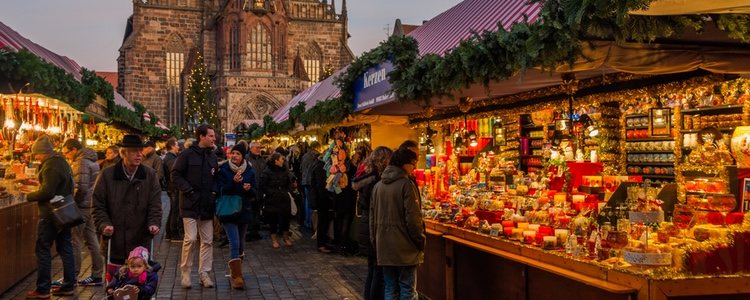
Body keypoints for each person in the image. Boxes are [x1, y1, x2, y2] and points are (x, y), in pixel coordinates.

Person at [92, 135, 162, 269]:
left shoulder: (150, 175)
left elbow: (155, 204)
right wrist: (104, 224)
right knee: (114, 284)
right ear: (123, 153)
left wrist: (154, 223)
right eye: (134, 151)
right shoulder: (107, 175)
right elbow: (97, 204)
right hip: (115, 239)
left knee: (139, 283)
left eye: (140, 151)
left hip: (140, 240)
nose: (139, 154)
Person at [25, 136, 78, 299]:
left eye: (37, 154)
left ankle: (42, 289)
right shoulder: (61, 161)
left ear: (43, 152)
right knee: (65, 248)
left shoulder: (50, 166)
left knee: (43, 250)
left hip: (50, 214)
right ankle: (69, 286)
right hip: (64, 213)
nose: (36, 157)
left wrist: (29, 195)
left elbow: (47, 192)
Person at [370, 147, 425, 300]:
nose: (414, 167)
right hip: (404, 248)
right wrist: (420, 241)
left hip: (384, 247)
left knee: (390, 288)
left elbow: (372, 220)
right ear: (403, 164)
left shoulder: (378, 186)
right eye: (413, 163)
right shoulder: (406, 185)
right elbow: (413, 220)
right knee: (407, 289)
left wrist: (375, 242)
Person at [171, 124, 218, 289]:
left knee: (207, 240)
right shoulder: (187, 155)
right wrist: (188, 190)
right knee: (190, 238)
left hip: (206, 204)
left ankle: (204, 273)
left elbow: (215, 178)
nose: (214, 138)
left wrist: (214, 192)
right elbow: (175, 174)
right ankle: (185, 272)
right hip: (190, 203)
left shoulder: (212, 156)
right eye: (211, 136)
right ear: (202, 137)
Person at [61, 139, 105, 287]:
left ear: (74, 149)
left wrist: (73, 203)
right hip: (90, 205)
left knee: (75, 241)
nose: (66, 156)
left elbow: (81, 187)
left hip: (81, 206)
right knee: (92, 240)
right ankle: (97, 274)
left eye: (66, 152)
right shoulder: (91, 160)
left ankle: (71, 277)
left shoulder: (81, 162)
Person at [352, 146, 393, 300]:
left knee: (372, 270)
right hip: (373, 227)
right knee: (378, 272)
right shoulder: (376, 180)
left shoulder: (366, 176)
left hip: (367, 224)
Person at [215, 143, 255, 289]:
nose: (234, 156)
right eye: (233, 153)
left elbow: (255, 191)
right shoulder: (224, 169)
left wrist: (249, 188)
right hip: (228, 211)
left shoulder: (249, 170)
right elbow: (220, 190)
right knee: (234, 241)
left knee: (241, 243)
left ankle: (238, 270)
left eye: (238, 154)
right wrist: (233, 183)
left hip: (243, 210)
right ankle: (236, 277)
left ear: (243, 156)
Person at [260, 152, 294, 248]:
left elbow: (288, 181)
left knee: (286, 218)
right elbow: (263, 185)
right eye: (281, 159)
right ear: (276, 161)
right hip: (272, 199)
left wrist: (287, 190)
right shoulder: (267, 171)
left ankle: (286, 237)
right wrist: (271, 192)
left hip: (284, 197)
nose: (283, 160)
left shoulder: (284, 170)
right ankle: (274, 239)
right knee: (273, 219)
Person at [310, 151, 334, 253]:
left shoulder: (321, 165)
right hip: (322, 199)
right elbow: (321, 186)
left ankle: (323, 242)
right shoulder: (321, 167)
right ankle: (321, 244)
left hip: (323, 198)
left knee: (324, 221)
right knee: (322, 221)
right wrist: (327, 197)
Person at [162, 138, 183, 240]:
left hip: (173, 187)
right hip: (173, 187)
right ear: (172, 146)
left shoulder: (172, 157)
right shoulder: (170, 158)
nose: (178, 147)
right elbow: (174, 170)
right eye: (177, 145)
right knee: (175, 210)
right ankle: (173, 233)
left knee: (173, 210)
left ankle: (169, 232)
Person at [244, 142, 265, 241]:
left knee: (257, 211)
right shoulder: (246, 159)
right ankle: (248, 232)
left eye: (259, 148)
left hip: (259, 190)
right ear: (251, 148)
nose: (259, 149)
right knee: (249, 210)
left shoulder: (261, 160)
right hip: (250, 189)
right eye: (257, 147)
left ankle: (255, 231)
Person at [299, 141, 321, 230]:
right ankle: (311, 222)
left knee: (307, 201)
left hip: (304, 181)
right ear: (316, 147)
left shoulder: (305, 155)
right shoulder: (316, 156)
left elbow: (301, 168)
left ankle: (307, 221)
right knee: (312, 202)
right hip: (311, 181)